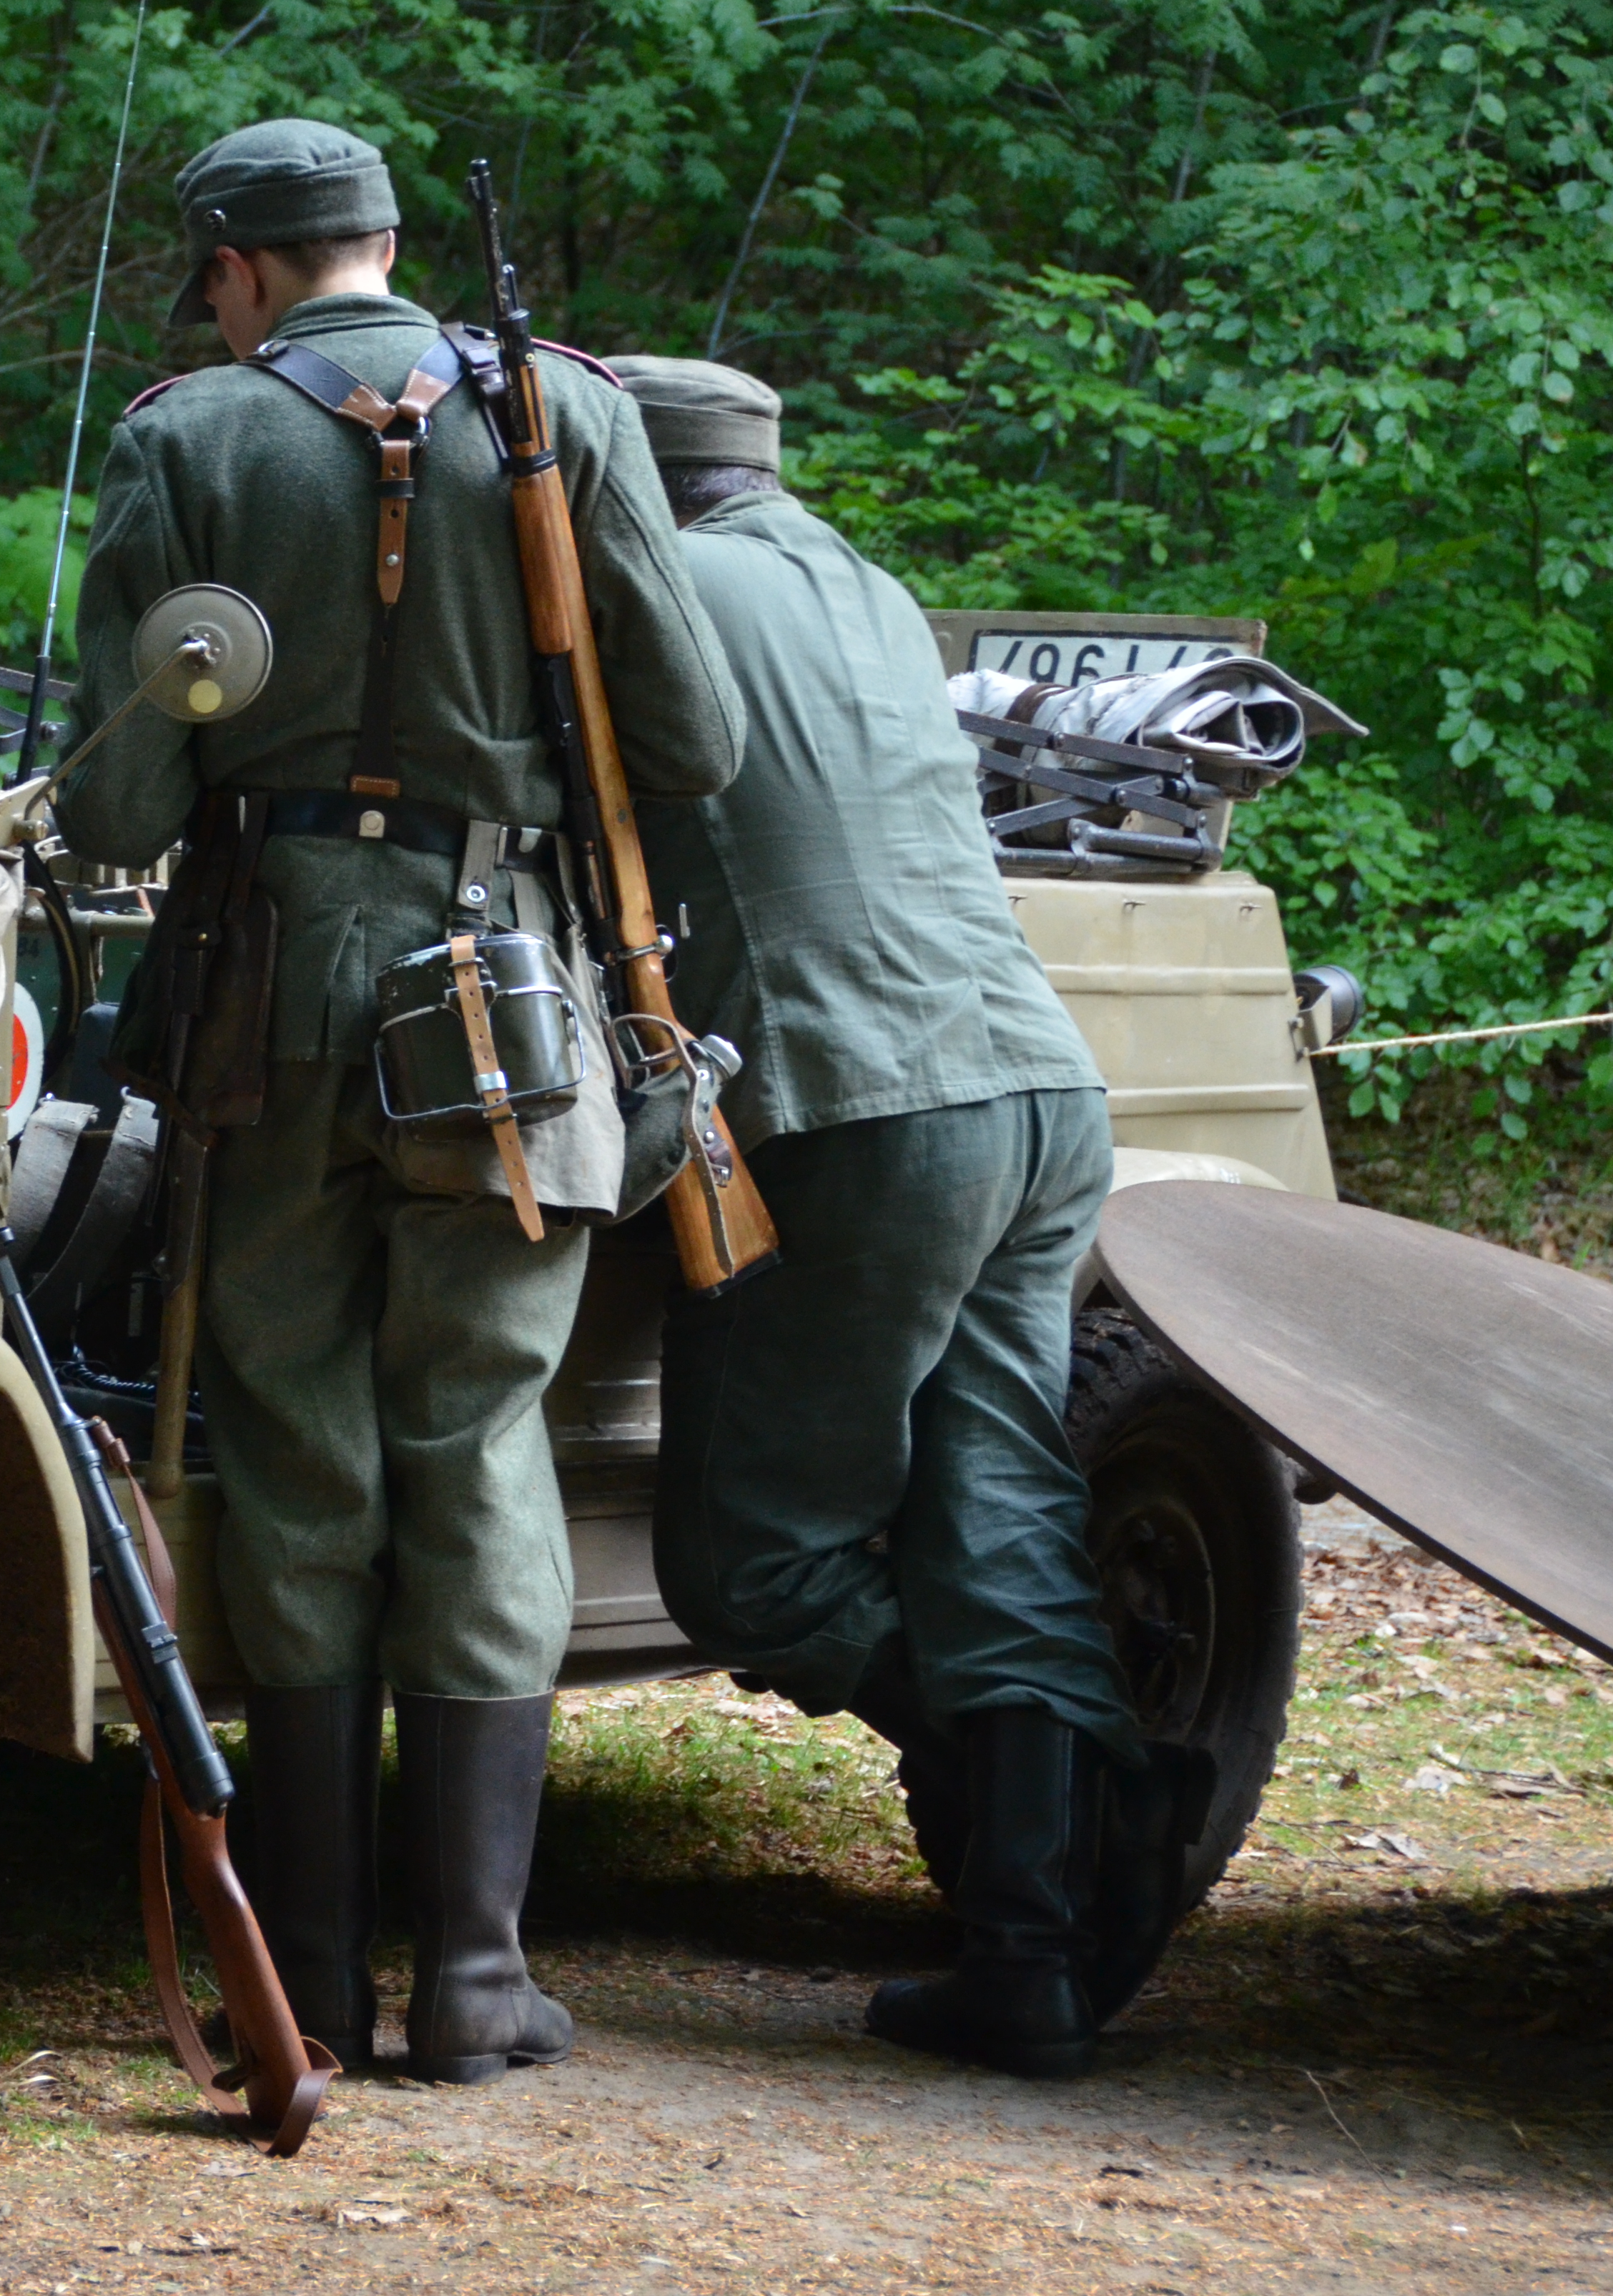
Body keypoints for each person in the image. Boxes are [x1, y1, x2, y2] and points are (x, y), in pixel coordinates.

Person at [59, 121, 744, 2082]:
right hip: (508, 1003)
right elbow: (688, 735)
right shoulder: (564, 416)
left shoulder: (192, 438)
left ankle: (325, 1972)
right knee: (480, 1432)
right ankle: (480, 1978)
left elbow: (115, 802)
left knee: (297, 1445)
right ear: (378, 248)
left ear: (245, 271)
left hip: (267, 1001)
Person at [612, 355, 1188, 2079]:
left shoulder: (659, 595)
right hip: (1037, 1090)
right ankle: (1030, 1949)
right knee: (992, 1514)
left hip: (865, 1107)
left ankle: (1097, 1806)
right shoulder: (862, 582)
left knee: (757, 1565)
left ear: (631, 484)